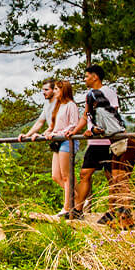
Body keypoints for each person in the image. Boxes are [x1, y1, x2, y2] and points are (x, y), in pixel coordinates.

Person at [76, 64, 135, 227]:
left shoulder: (107, 98)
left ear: (95, 76)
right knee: (115, 179)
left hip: (122, 144)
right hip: (114, 145)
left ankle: (125, 217)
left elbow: (110, 122)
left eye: (87, 76)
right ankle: (119, 216)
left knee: (119, 181)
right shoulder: (91, 98)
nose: (84, 79)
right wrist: (85, 130)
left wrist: (95, 130)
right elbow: (88, 118)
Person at [43, 78, 82, 217]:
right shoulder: (58, 106)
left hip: (67, 141)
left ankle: (67, 207)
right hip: (58, 141)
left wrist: (56, 133)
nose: (54, 91)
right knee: (55, 175)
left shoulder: (71, 105)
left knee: (66, 176)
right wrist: (49, 132)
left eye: (56, 89)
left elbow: (73, 125)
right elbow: (54, 124)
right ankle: (78, 198)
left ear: (63, 90)